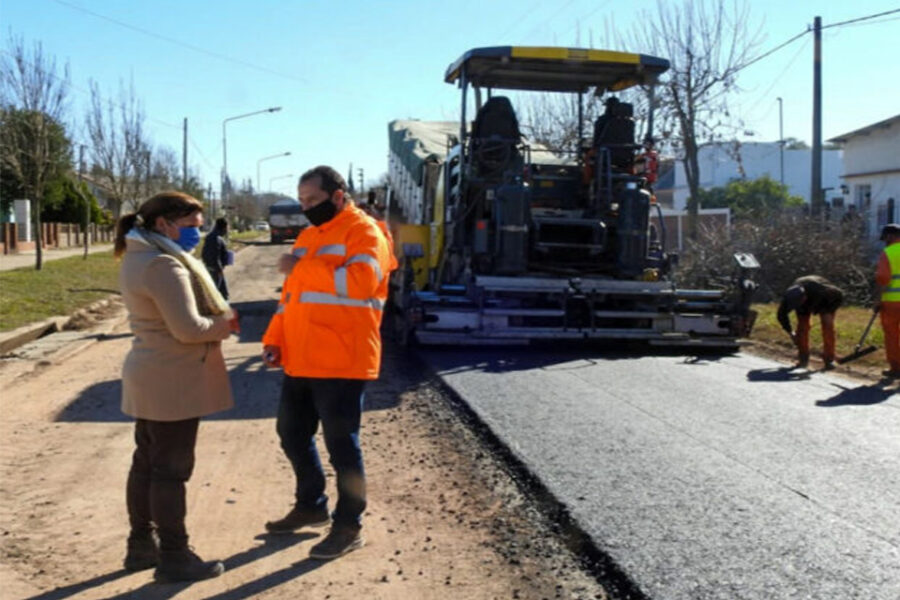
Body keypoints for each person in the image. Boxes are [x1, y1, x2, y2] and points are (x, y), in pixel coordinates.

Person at [261, 165, 396, 560]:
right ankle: (311, 505)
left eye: (313, 201)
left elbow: (359, 283)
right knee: (291, 433)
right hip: (301, 357)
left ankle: (349, 525)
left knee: (342, 446)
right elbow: (291, 298)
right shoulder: (309, 235)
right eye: (302, 201)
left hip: (342, 357)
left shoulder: (366, 232)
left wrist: (303, 267)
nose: (305, 208)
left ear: (339, 195)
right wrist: (274, 339)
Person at [114, 191, 239, 582]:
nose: (197, 234)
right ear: (163, 225)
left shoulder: (140, 256)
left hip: (151, 374)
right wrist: (226, 325)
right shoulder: (165, 265)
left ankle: (141, 545)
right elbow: (188, 329)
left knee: (147, 463)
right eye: (190, 227)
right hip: (173, 380)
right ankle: (174, 555)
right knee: (170, 470)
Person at [777, 275, 844, 369]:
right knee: (802, 328)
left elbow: (839, 295)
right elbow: (781, 315)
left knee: (827, 327)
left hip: (825, 302)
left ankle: (829, 359)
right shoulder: (789, 298)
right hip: (807, 303)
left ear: (804, 297)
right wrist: (790, 332)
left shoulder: (825, 291)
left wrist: (828, 311)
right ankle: (803, 358)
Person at [875, 223, 900, 378]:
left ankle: (896, 368)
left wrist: (878, 300)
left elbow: (883, 278)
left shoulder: (888, 252)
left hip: (892, 302)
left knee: (892, 334)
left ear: (890, 237)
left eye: (885, 238)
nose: (885, 242)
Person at [201, 217, 230, 300]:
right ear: (224, 227)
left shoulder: (211, 236)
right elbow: (214, 256)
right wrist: (219, 269)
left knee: (218, 292)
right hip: (215, 270)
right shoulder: (216, 238)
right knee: (219, 294)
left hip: (212, 268)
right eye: (227, 228)